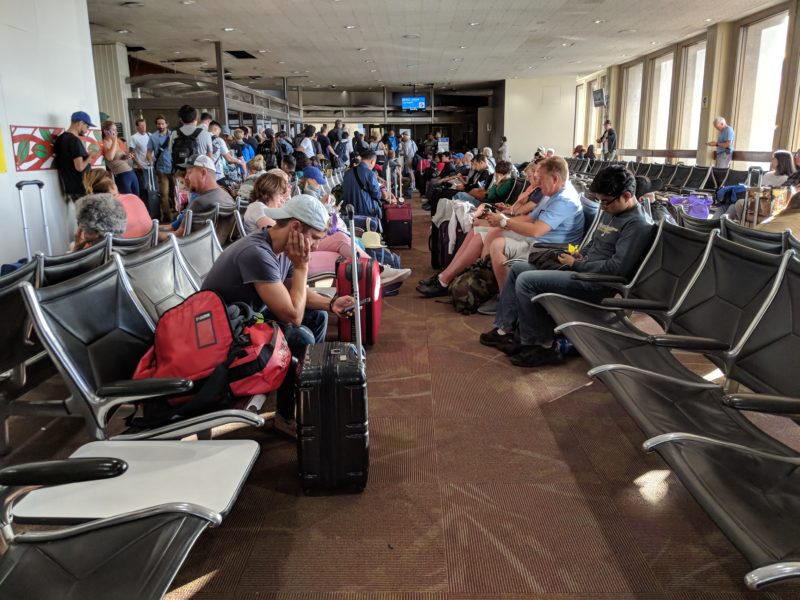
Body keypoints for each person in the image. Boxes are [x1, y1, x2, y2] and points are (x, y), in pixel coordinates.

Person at [201, 194, 356, 427]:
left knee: (319, 317)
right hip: (224, 336)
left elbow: (289, 289)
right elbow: (293, 315)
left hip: (248, 319)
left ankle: (303, 386)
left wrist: (330, 304)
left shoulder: (279, 246)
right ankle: (287, 414)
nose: (315, 246)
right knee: (300, 335)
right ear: (295, 227)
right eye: (314, 238)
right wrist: (302, 266)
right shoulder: (257, 253)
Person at [479, 164, 654, 367]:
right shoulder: (613, 211)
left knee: (527, 281)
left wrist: (576, 265)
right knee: (519, 269)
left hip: (597, 284)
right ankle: (505, 329)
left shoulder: (638, 225)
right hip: (582, 269)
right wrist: (580, 255)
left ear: (626, 195)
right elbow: (594, 244)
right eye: (600, 202)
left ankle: (542, 346)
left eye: (606, 202)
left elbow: (616, 270)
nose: (602, 207)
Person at [418, 157, 584, 297]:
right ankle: (447, 276)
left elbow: (535, 229)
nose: (537, 182)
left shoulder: (564, 199)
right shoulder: (553, 194)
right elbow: (528, 218)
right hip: (537, 239)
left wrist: (505, 222)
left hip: (545, 247)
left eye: (541, 178)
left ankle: (493, 292)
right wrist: (504, 220)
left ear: (554, 179)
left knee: (493, 238)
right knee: (477, 230)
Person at [161, 154, 235, 237]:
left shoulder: (199, 202)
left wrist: (155, 235)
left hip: (194, 247)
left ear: (203, 173)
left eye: (189, 172)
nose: (186, 177)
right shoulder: (226, 195)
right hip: (218, 247)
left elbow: (178, 236)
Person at [82, 168, 152, 238]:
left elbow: (88, 239)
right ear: (113, 186)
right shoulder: (134, 197)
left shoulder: (96, 210)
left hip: (122, 247)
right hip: (150, 244)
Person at [726, 150, 795, 220]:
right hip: (759, 201)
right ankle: (724, 223)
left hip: (771, 206)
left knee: (738, 204)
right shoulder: (767, 174)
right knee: (733, 205)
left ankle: (727, 224)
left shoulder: (785, 179)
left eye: (774, 158)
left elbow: (779, 198)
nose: (771, 160)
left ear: (781, 161)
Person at [53, 111, 101, 200]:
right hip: (81, 186)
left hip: (70, 185)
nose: (87, 130)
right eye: (87, 126)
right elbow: (79, 167)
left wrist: (86, 157)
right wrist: (90, 155)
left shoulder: (60, 139)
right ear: (80, 123)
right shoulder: (74, 141)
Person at [100, 120, 139, 196]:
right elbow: (110, 157)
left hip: (130, 172)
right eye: (113, 130)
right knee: (128, 199)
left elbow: (120, 156)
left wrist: (126, 156)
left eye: (116, 129)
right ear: (106, 131)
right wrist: (114, 140)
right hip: (121, 174)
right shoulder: (104, 142)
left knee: (137, 197)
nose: (116, 132)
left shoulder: (115, 142)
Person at [341, 150, 383, 219]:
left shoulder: (347, 173)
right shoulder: (370, 174)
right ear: (372, 161)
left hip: (349, 211)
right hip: (366, 212)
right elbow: (377, 195)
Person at [151, 115, 175, 221]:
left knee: (175, 192)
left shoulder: (174, 135)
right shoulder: (153, 137)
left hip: (173, 168)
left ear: (167, 124)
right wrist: (151, 162)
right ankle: (166, 217)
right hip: (161, 169)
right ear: (156, 125)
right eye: (158, 124)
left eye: (162, 123)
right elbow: (148, 152)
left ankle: (178, 212)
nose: (160, 125)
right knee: (164, 193)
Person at [129, 117, 154, 197]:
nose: (143, 127)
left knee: (152, 188)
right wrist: (138, 164)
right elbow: (131, 153)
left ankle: (152, 205)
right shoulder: (134, 137)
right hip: (140, 167)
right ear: (137, 127)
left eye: (144, 125)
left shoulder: (150, 135)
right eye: (141, 126)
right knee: (144, 188)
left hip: (150, 166)